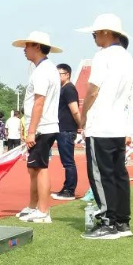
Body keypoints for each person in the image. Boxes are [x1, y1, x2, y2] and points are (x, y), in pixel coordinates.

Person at [77, 14, 133, 240]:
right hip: (118, 125)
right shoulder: (127, 57)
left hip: (100, 125)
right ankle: (122, 221)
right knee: (119, 174)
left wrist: (83, 116)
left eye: (96, 33)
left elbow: (93, 90)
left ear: (107, 32)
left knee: (101, 174)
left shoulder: (103, 56)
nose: (94, 37)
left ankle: (108, 222)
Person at [12, 31, 62, 224]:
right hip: (43, 126)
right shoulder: (46, 69)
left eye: (28, 45)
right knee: (34, 168)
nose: (24, 49)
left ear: (37, 47)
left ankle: (43, 210)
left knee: (40, 168)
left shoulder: (43, 71)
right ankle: (33, 206)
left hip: (42, 127)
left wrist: (32, 131)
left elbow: (39, 102)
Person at [53, 63, 81, 201]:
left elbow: (75, 110)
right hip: (62, 129)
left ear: (67, 74)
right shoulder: (63, 89)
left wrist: (80, 125)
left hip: (67, 129)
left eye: (59, 74)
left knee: (68, 162)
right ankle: (66, 187)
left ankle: (70, 190)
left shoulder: (69, 89)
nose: (56, 77)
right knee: (66, 162)